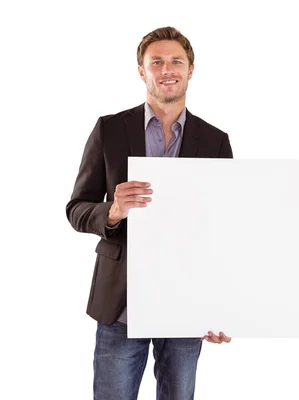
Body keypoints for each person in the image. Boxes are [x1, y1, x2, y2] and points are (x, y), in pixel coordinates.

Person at [66, 26, 233, 400]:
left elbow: (223, 231)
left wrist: (222, 306)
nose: (167, 69)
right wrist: (112, 210)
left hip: (186, 305)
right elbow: (76, 208)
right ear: (142, 71)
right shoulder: (109, 129)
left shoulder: (215, 141)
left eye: (176, 61)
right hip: (121, 303)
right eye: (156, 62)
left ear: (191, 69)